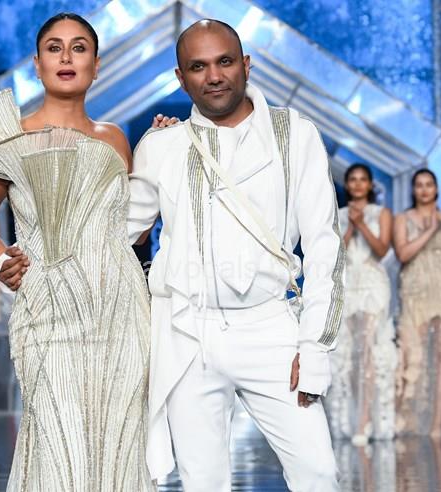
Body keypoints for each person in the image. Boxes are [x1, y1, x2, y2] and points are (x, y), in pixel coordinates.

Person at [127, 19, 344, 491]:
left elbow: (325, 246)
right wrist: (32, 258)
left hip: (271, 327)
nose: (214, 76)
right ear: (181, 78)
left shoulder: (296, 134)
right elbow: (117, 233)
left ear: (246, 64)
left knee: (318, 473)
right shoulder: (162, 147)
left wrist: (314, 345)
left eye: (224, 61)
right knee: (202, 482)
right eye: (198, 67)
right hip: (189, 332)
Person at [0, 13, 153, 490]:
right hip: (48, 314)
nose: (66, 57)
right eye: (54, 47)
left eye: (79, 47)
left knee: (120, 444)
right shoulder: (8, 139)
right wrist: (2, 262)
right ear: (38, 64)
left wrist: (157, 154)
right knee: (57, 444)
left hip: (122, 315)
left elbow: (132, 233)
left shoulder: (115, 138)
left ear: (96, 65)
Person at [393, 168, 441, 437]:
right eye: (419, 185)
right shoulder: (402, 219)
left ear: (436, 189)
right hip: (416, 290)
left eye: (429, 184)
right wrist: (430, 232)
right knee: (413, 356)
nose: (424, 189)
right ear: (413, 189)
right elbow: (403, 254)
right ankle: (411, 422)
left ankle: (438, 425)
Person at [326, 163, 396, 445]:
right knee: (351, 353)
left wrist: (362, 225)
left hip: (373, 284)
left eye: (362, 179)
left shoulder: (382, 214)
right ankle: (355, 414)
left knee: (367, 348)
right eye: (352, 179)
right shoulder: (337, 215)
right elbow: (334, 254)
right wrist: (350, 228)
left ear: (370, 185)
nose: (357, 184)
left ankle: (365, 419)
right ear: (347, 184)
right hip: (348, 283)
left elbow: (382, 249)